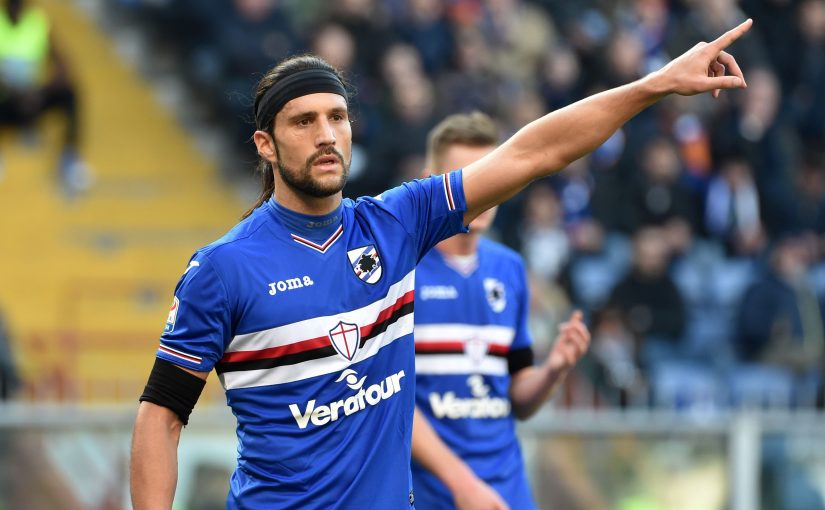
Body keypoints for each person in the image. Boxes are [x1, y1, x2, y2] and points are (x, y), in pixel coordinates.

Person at [129, 18, 753, 510]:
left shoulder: (397, 223)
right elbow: (161, 416)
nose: (326, 134)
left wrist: (652, 86)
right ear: (265, 145)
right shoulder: (223, 269)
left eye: (337, 117)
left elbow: (535, 152)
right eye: (303, 121)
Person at [410, 111, 590, 510]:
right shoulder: (403, 270)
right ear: (429, 180)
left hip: (507, 488)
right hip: (431, 493)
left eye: (490, 173)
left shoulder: (510, 269)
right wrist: (461, 483)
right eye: (465, 177)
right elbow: (391, 405)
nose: (482, 189)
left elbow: (517, 396)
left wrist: (553, 369)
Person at [0, 0, 89, 194]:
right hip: (5, 100)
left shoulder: (37, 23)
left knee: (68, 94)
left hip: (32, 98)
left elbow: (63, 66)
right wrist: (16, 93)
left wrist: (41, 92)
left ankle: (69, 157)